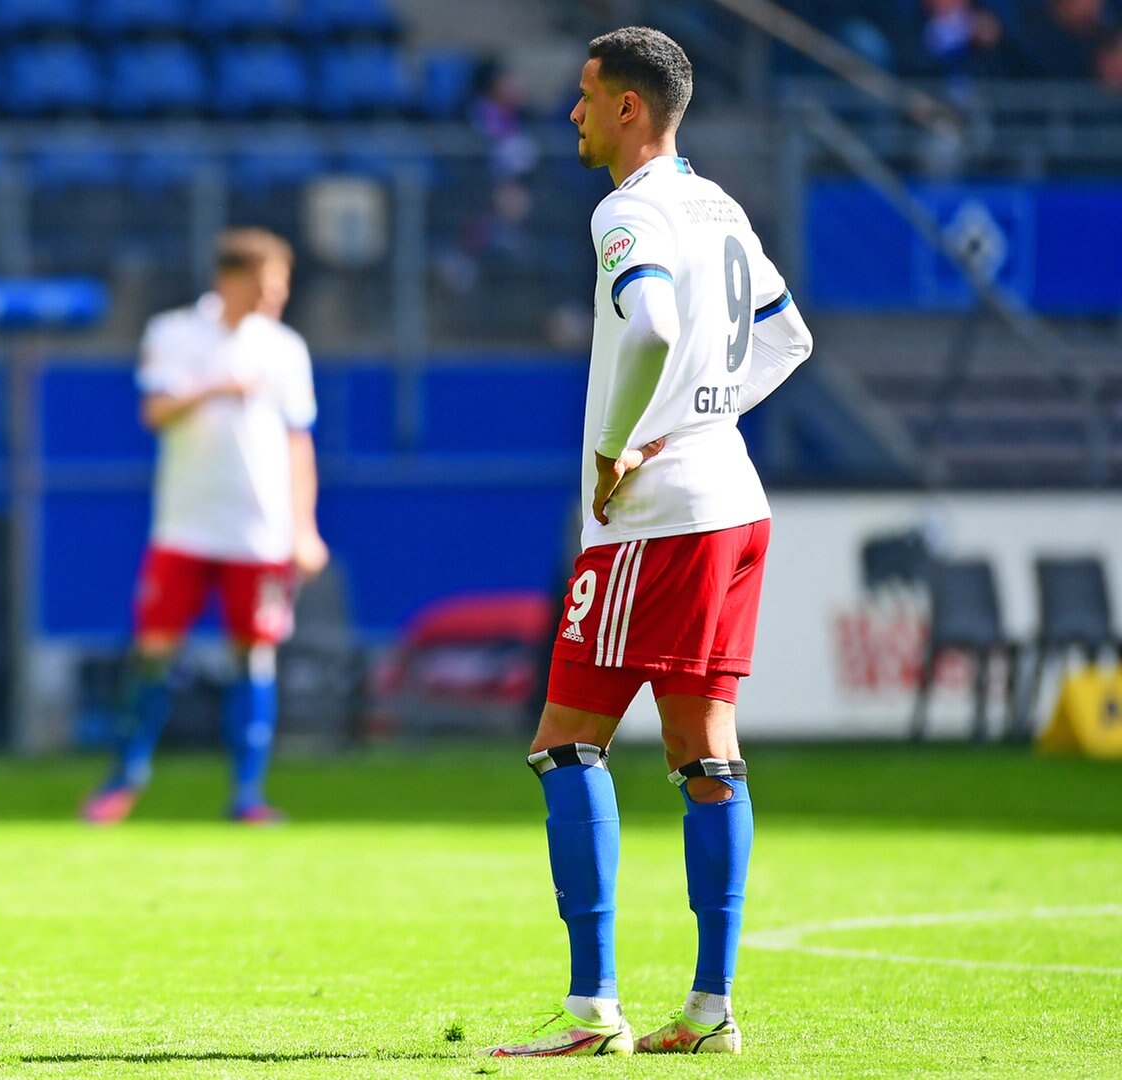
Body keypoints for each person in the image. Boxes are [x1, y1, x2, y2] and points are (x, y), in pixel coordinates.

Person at [483, 27, 814, 1058]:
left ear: (631, 107)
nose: (572, 113)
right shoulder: (717, 204)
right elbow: (787, 337)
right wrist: (700, 415)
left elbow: (659, 331)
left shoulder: (625, 211)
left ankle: (592, 1013)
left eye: (586, 96)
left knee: (566, 741)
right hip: (732, 503)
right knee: (705, 753)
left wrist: (628, 443)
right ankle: (712, 1011)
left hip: (653, 520)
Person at [81, 228, 327, 825]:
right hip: (185, 527)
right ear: (232, 278)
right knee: (155, 651)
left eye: (281, 286)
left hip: (260, 532)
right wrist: (217, 386)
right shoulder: (175, 333)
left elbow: (299, 443)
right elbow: (156, 410)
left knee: (255, 655)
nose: (275, 297)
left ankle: (247, 794)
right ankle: (125, 777)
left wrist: (304, 526)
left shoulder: (286, 349)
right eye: (267, 284)